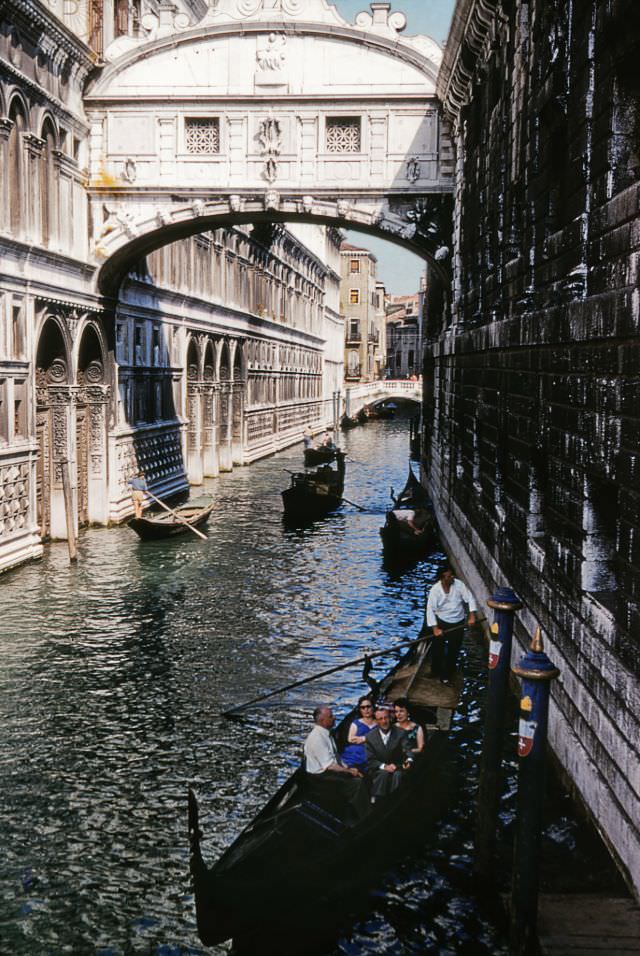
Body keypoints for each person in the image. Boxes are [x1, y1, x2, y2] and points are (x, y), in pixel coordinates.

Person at [303, 705, 370, 819]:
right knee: (356, 783)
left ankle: (361, 805)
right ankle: (364, 815)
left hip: (328, 771)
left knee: (360, 771)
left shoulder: (326, 733)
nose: (334, 718)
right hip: (320, 778)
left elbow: (336, 757)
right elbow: (330, 765)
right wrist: (349, 772)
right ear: (322, 721)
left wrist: (348, 767)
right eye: (331, 716)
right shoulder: (317, 738)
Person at [425, 565, 477, 685]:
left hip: (457, 622)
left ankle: (446, 675)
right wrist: (435, 628)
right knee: (438, 648)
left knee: (453, 650)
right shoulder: (435, 590)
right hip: (442, 621)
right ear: (442, 579)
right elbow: (430, 610)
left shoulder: (459, 585)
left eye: (452, 575)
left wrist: (472, 616)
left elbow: (469, 598)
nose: (452, 577)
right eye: (449, 576)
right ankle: (435, 670)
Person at [365, 703, 413, 801]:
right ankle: (377, 799)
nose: (384, 721)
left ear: (390, 718)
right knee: (383, 774)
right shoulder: (370, 737)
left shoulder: (401, 733)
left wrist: (409, 759)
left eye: (386, 718)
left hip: (397, 766)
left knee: (398, 775)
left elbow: (408, 750)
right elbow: (370, 760)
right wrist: (384, 766)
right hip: (378, 769)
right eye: (380, 719)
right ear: (376, 721)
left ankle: (395, 799)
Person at [340, 696, 377, 771]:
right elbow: (350, 739)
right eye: (363, 707)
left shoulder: (378, 723)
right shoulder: (356, 723)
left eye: (368, 707)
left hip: (372, 751)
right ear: (360, 710)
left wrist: (364, 739)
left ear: (373, 707)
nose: (366, 710)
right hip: (356, 752)